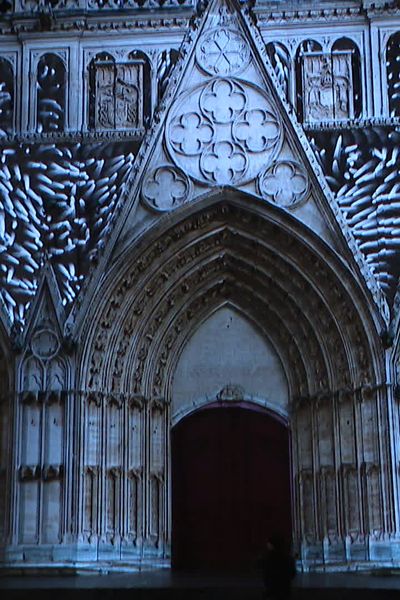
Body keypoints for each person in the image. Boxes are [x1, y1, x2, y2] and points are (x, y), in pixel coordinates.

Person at [261, 533, 296, 600]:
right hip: (285, 590)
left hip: (272, 590)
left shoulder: (268, 558)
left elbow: (266, 574)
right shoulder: (288, 558)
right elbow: (292, 573)